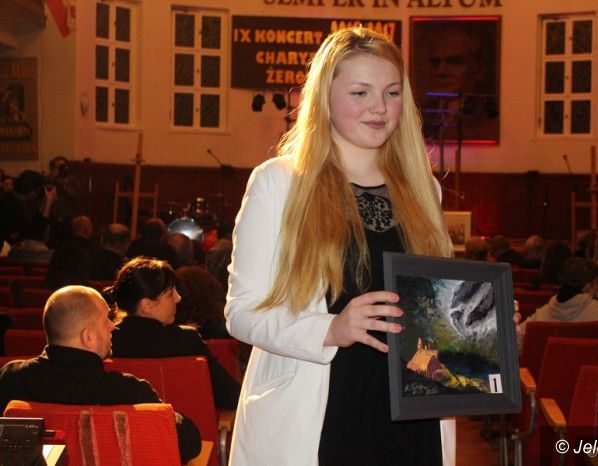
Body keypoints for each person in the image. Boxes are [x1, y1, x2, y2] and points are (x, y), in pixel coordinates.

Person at [225, 27, 456, 466]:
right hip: (322, 410)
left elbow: (431, 308)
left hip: (413, 410)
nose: (379, 107)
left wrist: (480, 324)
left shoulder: (424, 188)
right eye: (360, 92)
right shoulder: (279, 182)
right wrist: (330, 329)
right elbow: (242, 312)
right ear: (324, 99)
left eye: (391, 92)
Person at [0, 285, 201, 463]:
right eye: (105, 320)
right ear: (88, 337)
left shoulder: (10, 379)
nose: (113, 326)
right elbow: (188, 443)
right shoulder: (130, 392)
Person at [108, 257, 240, 410]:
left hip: (130, 425)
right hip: (189, 424)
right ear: (146, 305)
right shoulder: (186, 341)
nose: (178, 298)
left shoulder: (108, 342)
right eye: (170, 293)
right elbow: (230, 396)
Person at [418, 24, 499, 142]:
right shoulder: (418, 114)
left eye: (454, 62)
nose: (440, 71)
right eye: (435, 62)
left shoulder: (490, 118)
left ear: (478, 70)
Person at [522, 258, 598, 334]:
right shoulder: (597, 310)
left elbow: (517, 337)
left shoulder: (541, 314)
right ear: (588, 286)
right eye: (597, 283)